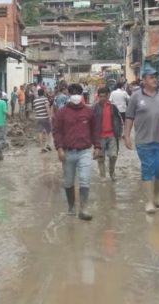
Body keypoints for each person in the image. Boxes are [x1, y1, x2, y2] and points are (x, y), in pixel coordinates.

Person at [124, 67, 159, 214]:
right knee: (147, 169)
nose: (155, 79)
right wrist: (127, 135)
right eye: (151, 77)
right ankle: (149, 202)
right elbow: (129, 117)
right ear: (144, 80)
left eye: (156, 77)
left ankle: (157, 194)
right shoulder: (135, 97)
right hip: (143, 140)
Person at [53, 84, 101, 221]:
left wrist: (97, 146)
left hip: (85, 151)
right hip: (67, 152)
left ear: (81, 95)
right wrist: (59, 148)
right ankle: (71, 207)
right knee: (68, 181)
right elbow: (57, 132)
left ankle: (84, 209)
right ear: (68, 94)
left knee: (85, 179)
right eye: (72, 93)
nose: (75, 95)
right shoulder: (62, 112)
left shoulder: (88, 112)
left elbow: (95, 131)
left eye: (77, 93)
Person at [93, 87, 123, 181]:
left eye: (104, 96)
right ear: (98, 96)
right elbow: (91, 122)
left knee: (113, 155)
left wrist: (120, 132)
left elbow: (119, 120)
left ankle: (112, 173)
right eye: (100, 96)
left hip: (112, 135)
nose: (102, 98)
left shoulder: (113, 107)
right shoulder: (94, 108)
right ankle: (102, 176)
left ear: (108, 96)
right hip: (100, 137)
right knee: (101, 157)